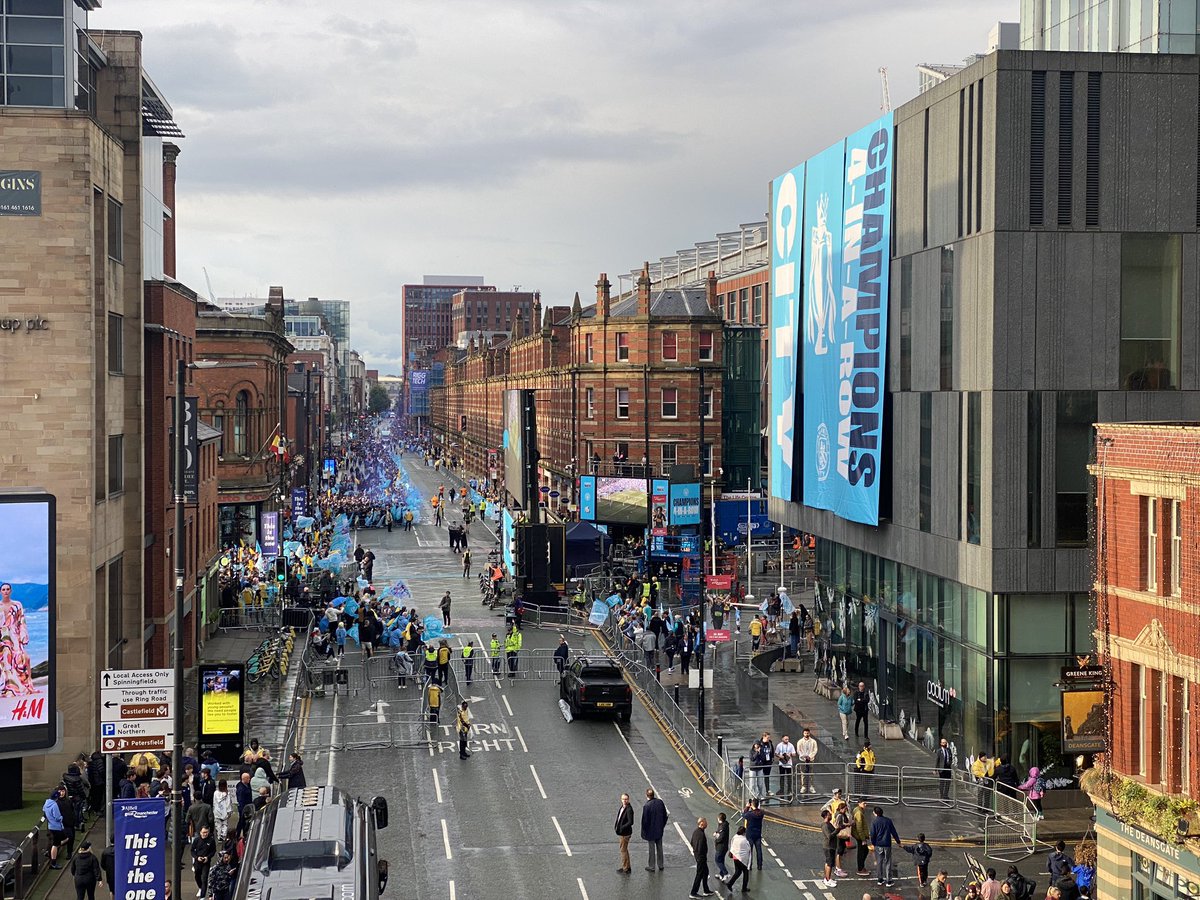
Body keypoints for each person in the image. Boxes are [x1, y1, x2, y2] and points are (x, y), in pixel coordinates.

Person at [868, 805, 902, 888]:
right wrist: (898, 842)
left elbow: (872, 834)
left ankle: (880, 879)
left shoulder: (874, 822)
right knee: (888, 862)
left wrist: (873, 843)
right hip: (887, 844)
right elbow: (894, 832)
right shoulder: (888, 821)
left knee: (879, 862)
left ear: (875, 813)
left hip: (878, 845)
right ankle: (888, 880)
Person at [640, 787, 668, 872]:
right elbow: (665, 815)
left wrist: (644, 831)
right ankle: (661, 865)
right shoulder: (660, 802)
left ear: (647, 796)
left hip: (650, 832)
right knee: (660, 847)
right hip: (659, 830)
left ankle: (652, 866)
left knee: (651, 849)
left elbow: (645, 821)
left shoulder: (646, 806)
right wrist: (662, 826)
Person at [688, 817, 714, 899]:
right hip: (701, 858)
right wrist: (701, 856)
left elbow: (692, 842)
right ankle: (693, 892)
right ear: (702, 823)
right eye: (706, 823)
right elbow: (700, 848)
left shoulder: (696, 832)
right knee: (699, 875)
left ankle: (706, 890)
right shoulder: (701, 835)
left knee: (705, 872)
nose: (707, 824)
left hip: (698, 856)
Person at [724, 825, 752, 893]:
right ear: (744, 833)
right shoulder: (744, 840)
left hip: (735, 857)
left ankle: (730, 884)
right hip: (742, 859)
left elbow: (732, 845)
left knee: (738, 872)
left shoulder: (735, 837)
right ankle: (744, 888)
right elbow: (748, 850)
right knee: (745, 873)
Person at [191, 825, 216, 897]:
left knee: (204, 878)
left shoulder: (211, 840)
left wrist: (208, 857)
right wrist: (196, 857)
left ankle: (202, 896)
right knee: (197, 876)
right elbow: (192, 850)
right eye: (204, 832)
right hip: (197, 862)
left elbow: (213, 851)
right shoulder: (196, 840)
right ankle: (200, 887)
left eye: (206, 832)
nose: (205, 834)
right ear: (200, 832)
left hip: (206, 863)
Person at [44, 788, 66, 868]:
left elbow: (44, 811)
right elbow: (57, 817)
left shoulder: (46, 803)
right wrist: (61, 817)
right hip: (56, 827)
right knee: (56, 844)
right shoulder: (54, 805)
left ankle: (50, 853)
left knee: (56, 842)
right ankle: (53, 862)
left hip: (50, 826)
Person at [851, 798, 872, 876]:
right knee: (862, 851)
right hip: (859, 836)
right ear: (859, 803)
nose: (865, 805)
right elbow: (859, 827)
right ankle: (860, 869)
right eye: (864, 803)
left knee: (864, 851)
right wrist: (863, 839)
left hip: (858, 835)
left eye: (865, 803)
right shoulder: (859, 813)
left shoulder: (857, 809)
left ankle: (862, 867)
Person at [614, 793, 634, 874]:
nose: (624, 801)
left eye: (626, 799)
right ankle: (628, 867)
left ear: (628, 799)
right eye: (623, 799)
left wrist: (621, 827)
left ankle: (625, 868)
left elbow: (631, 822)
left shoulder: (629, 809)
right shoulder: (623, 807)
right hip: (622, 832)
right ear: (621, 799)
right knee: (625, 850)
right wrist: (616, 825)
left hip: (625, 833)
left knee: (623, 851)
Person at [743, 798, 765, 870]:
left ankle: (750, 865)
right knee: (759, 850)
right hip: (758, 833)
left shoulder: (750, 814)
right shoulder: (761, 813)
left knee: (750, 850)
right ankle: (759, 865)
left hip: (750, 834)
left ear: (752, 804)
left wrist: (747, 807)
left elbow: (744, 815)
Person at [795, 728, 816, 796]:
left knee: (811, 773)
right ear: (803, 733)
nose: (806, 734)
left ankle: (811, 786)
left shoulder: (813, 741)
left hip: (811, 760)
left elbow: (815, 750)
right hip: (803, 760)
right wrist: (803, 756)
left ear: (809, 733)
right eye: (805, 733)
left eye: (807, 733)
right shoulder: (800, 741)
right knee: (803, 774)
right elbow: (798, 750)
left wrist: (810, 756)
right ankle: (803, 786)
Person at [212, 779, 232, 845]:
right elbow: (228, 803)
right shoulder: (227, 793)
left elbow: (214, 802)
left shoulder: (215, 793)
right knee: (224, 825)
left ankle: (218, 837)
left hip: (217, 811)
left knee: (218, 825)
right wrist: (229, 811)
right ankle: (223, 836)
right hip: (225, 812)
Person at [713, 812, 730, 880]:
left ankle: (725, 873)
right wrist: (717, 833)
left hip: (721, 847)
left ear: (719, 819)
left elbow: (721, 837)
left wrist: (716, 837)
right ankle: (721, 874)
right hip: (724, 846)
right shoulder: (724, 825)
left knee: (717, 860)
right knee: (721, 860)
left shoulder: (722, 827)